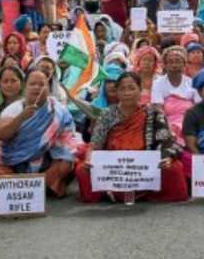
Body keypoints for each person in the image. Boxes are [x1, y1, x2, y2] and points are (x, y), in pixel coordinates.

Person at [75, 72, 188, 203]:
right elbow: (95, 143)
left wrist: (166, 158)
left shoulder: (153, 113)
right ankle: (109, 192)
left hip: (145, 168)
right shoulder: (107, 114)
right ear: (116, 92)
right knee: (83, 170)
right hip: (114, 168)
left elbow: (166, 141)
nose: (127, 92)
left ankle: (148, 194)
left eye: (132, 88)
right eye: (122, 89)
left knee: (173, 168)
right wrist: (90, 159)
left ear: (140, 90)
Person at [0, 68, 79, 198]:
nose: (37, 88)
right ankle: (42, 186)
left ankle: (31, 187)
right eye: (32, 84)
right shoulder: (14, 109)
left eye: (42, 84)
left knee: (66, 163)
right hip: (18, 161)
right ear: (25, 87)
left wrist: (61, 151)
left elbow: (68, 138)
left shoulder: (57, 110)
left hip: (48, 160)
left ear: (48, 88)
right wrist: (21, 117)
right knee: (0, 173)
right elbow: (2, 135)